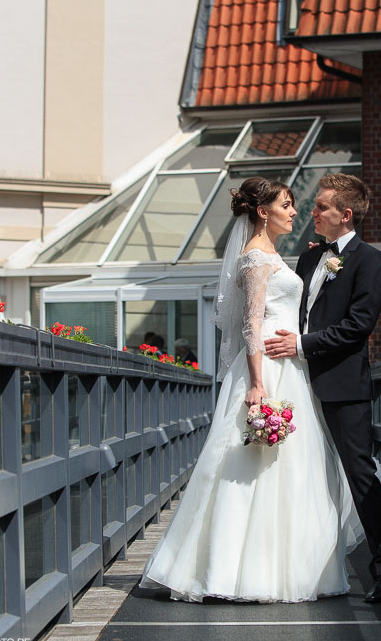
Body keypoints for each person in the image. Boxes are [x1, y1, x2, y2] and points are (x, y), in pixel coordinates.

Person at [139, 177, 363, 603]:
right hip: (269, 371)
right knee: (253, 465)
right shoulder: (255, 258)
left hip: (289, 368)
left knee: (291, 471)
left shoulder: (277, 254)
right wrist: (259, 383)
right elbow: (251, 323)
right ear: (263, 211)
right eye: (287, 204)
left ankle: (291, 568)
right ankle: (236, 570)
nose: (295, 212)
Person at [264, 173, 381, 603]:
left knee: (360, 476)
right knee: (299, 475)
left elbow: (359, 326)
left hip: (342, 387)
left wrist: (301, 345)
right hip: (297, 385)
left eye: (321, 207)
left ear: (346, 214)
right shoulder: (308, 260)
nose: (312, 212)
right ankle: (301, 564)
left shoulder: (370, 260)